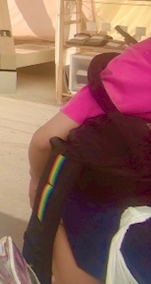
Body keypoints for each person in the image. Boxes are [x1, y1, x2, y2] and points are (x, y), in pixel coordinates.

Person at [28, 40, 151, 283]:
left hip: (127, 234)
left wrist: (36, 183)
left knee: (55, 201)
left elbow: (44, 141)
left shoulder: (137, 67)